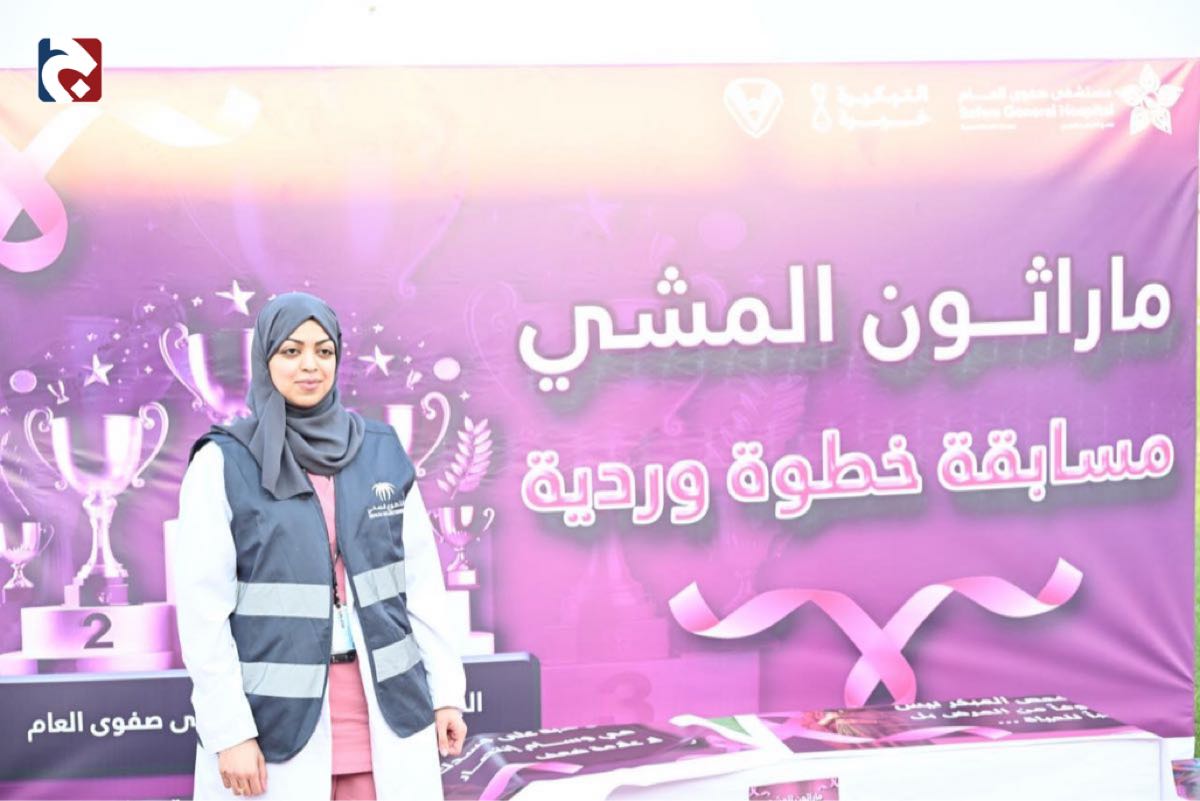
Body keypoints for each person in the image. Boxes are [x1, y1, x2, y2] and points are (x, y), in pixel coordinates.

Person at [173, 292, 467, 800]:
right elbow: (203, 615)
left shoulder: (381, 450)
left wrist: (446, 694)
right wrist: (229, 732)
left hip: (390, 719)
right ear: (264, 359)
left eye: (323, 350)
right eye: (291, 351)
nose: (310, 364)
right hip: (275, 730)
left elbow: (421, 585)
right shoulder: (223, 461)